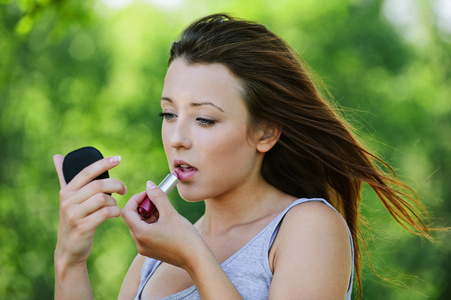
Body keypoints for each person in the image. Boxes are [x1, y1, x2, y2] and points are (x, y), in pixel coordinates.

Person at [53, 14, 433, 300]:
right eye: (169, 114)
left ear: (265, 131)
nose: (177, 139)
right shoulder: (155, 254)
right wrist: (70, 259)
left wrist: (194, 258)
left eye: (204, 119)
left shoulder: (307, 227)